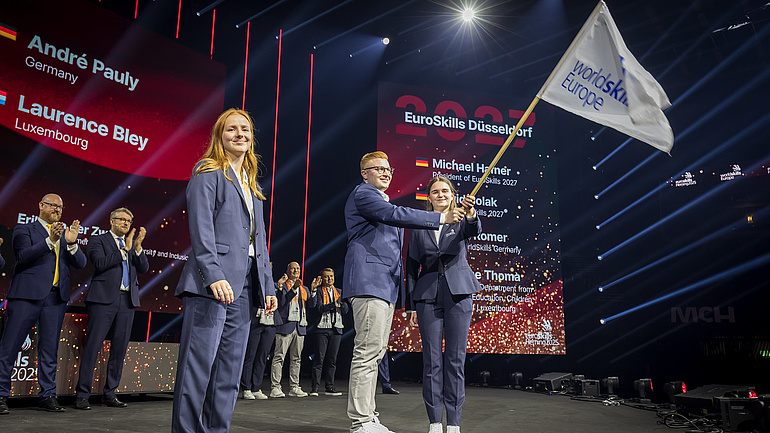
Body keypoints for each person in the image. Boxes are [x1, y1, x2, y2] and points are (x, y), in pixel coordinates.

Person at [171, 108, 278, 433]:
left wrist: (268, 285)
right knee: (198, 366)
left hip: (246, 285)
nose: (240, 134)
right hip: (211, 283)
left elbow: (259, 243)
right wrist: (213, 274)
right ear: (221, 136)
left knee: (230, 370)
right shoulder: (208, 172)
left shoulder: (252, 185)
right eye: (232, 129)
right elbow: (201, 228)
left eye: (245, 129)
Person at [344, 151, 465, 433]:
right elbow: (393, 215)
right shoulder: (364, 194)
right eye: (378, 169)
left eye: (389, 169)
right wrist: (439, 219)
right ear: (365, 173)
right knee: (366, 352)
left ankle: (369, 416)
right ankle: (360, 421)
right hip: (368, 282)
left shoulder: (381, 199)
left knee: (375, 353)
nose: (386, 173)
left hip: (385, 286)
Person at [405, 177, 480, 433]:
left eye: (445, 191)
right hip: (427, 295)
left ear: (452, 195)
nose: (440, 195)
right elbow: (412, 267)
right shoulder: (420, 225)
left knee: (455, 360)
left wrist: (470, 213)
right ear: (429, 197)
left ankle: (455, 423)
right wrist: (411, 306)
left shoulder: (461, 219)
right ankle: (435, 422)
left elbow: (473, 229)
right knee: (432, 360)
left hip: (458, 293)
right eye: (435, 192)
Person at [0, 194, 87, 415]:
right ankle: (1, 395)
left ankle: (47, 395)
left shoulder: (65, 234)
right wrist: (50, 240)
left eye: (60, 206)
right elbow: (23, 256)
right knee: (9, 347)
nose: (57, 209)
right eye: (52, 205)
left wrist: (72, 243)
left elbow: (81, 263)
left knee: (49, 350)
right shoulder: (25, 229)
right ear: (41, 205)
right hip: (26, 296)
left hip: (55, 299)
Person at [74, 207, 149, 410]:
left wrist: (138, 247)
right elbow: (99, 263)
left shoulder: (132, 244)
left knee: (119, 349)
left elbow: (143, 268)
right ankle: (82, 394)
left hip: (127, 302)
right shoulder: (99, 240)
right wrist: (123, 250)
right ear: (112, 221)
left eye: (128, 221)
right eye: (122, 219)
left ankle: (110, 393)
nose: (126, 223)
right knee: (92, 347)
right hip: (103, 300)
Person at [270, 262, 318, 398]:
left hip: (300, 326)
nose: (296, 270)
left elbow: (312, 305)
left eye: (298, 268)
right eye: (293, 268)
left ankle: (294, 387)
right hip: (285, 325)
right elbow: (282, 302)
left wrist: (313, 291)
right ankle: (275, 387)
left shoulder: (304, 288)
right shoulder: (282, 285)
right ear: (288, 270)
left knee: (296, 359)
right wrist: (293, 289)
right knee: (279, 357)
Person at [309, 267, 348, 396]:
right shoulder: (320, 291)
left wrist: (341, 304)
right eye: (326, 276)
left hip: (336, 329)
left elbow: (346, 310)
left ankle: (329, 387)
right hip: (322, 328)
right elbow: (319, 308)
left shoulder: (339, 292)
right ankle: (315, 388)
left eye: (331, 276)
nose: (329, 278)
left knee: (332, 360)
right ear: (322, 278)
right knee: (319, 359)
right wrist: (334, 304)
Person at [240, 281, 278, 401]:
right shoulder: (254, 284)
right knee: (250, 355)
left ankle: (256, 387)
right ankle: (246, 388)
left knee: (262, 357)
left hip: (270, 323)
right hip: (255, 322)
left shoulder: (275, 286)